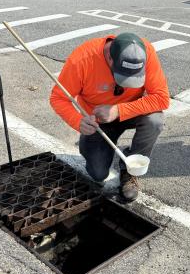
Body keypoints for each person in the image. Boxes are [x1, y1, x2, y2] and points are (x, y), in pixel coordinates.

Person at [50, 32, 170, 201]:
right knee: (98, 173)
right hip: (98, 121)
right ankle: (97, 148)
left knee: (155, 121)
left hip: (131, 111)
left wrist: (118, 110)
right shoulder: (82, 59)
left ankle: (129, 171)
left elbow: (161, 98)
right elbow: (58, 98)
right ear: (110, 58)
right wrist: (78, 122)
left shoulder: (144, 52)